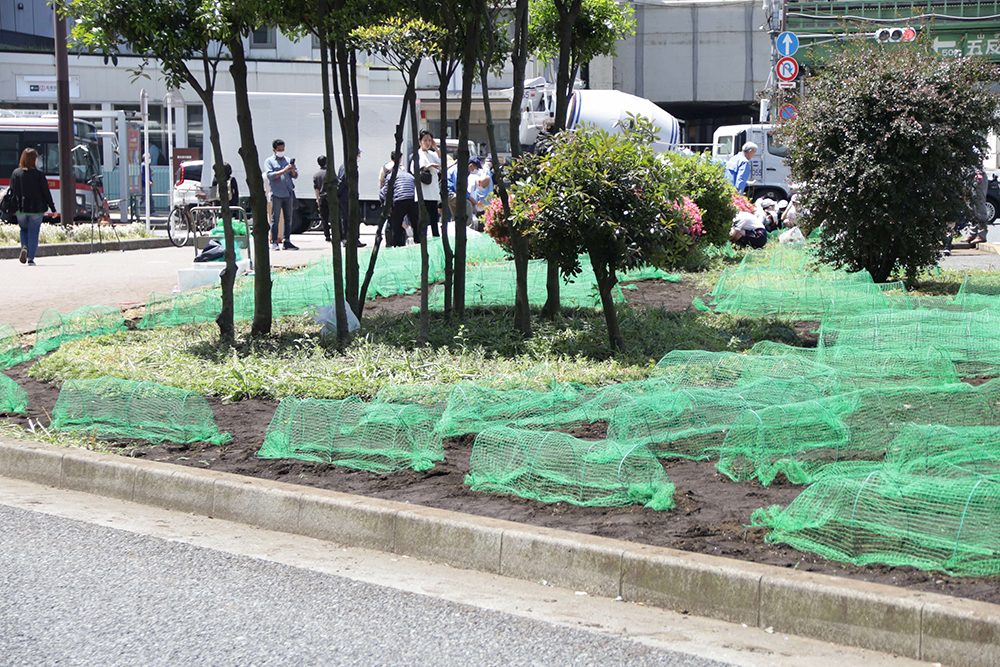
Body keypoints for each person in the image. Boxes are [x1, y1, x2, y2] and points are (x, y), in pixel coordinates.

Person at [9, 147, 56, 266]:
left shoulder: (16, 173)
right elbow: (46, 193)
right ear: (34, 160)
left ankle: (24, 246)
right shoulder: (39, 175)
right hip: (36, 209)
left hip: (21, 209)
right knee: (34, 232)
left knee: (23, 229)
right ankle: (30, 258)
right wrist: (53, 209)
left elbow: (12, 191)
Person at [264, 138, 298, 251]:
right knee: (275, 218)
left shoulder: (287, 160)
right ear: (274, 150)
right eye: (279, 149)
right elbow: (270, 175)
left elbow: (295, 175)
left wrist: (292, 170)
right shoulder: (269, 161)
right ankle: (274, 242)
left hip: (288, 193)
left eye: (283, 149)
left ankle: (287, 241)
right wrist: (284, 170)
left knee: (288, 219)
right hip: (276, 194)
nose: (281, 151)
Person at [379, 154, 417, 248]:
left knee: (396, 224)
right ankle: (418, 243)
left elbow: (383, 192)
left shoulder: (390, 176)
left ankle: (397, 245)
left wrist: (386, 207)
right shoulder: (409, 175)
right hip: (412, 200)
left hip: (399, 200)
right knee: (415, 224)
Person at [414, 129, 442, 240]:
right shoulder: (417, 154)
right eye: (425, 140)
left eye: (429, 140)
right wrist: (429, 166)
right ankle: (421, 240)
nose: (427, 143)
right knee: (423, 219)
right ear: (420, 141)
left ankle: (436, 239)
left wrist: (436, 148)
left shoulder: (431, 153)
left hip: (433, 192)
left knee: (434, 218)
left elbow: (442, 161)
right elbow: (415, 169)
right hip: (424, 191)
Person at [337, 149, 367, 248]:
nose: (359, 157)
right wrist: (338, 194)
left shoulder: (351, 166)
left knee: (353, 218)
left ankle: (353, 239)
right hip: (346, 197)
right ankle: (348, 239)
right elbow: (342, 181)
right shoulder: (347, 166)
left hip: (350, 197)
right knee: (348, 218)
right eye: (358, 154)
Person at [447, 155, 482, 229]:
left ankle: (456, 229)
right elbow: (459, 187)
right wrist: (470, 198)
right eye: (475, 168)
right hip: (451, 193)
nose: (474, 170)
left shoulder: (459, 169)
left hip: (449, 194)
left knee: (456, 214)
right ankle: (469, 228)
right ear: (471, 165)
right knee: (467, 204)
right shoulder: (459, 170)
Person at [966, 170, 989, 245]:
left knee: (979, 205)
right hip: (970, 176)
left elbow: (979, 161)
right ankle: (973, 234)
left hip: (978, 176)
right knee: (971, 207)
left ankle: (982, 234)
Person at [314, 155, 332, 243]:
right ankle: (336, 234)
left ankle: (327, 236)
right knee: (333, 217)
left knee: (324, 218)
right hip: (330, 197)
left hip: (321, 198)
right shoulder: (329, 173)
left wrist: (317, 200)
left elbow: (316, 189)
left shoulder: (316, 174)